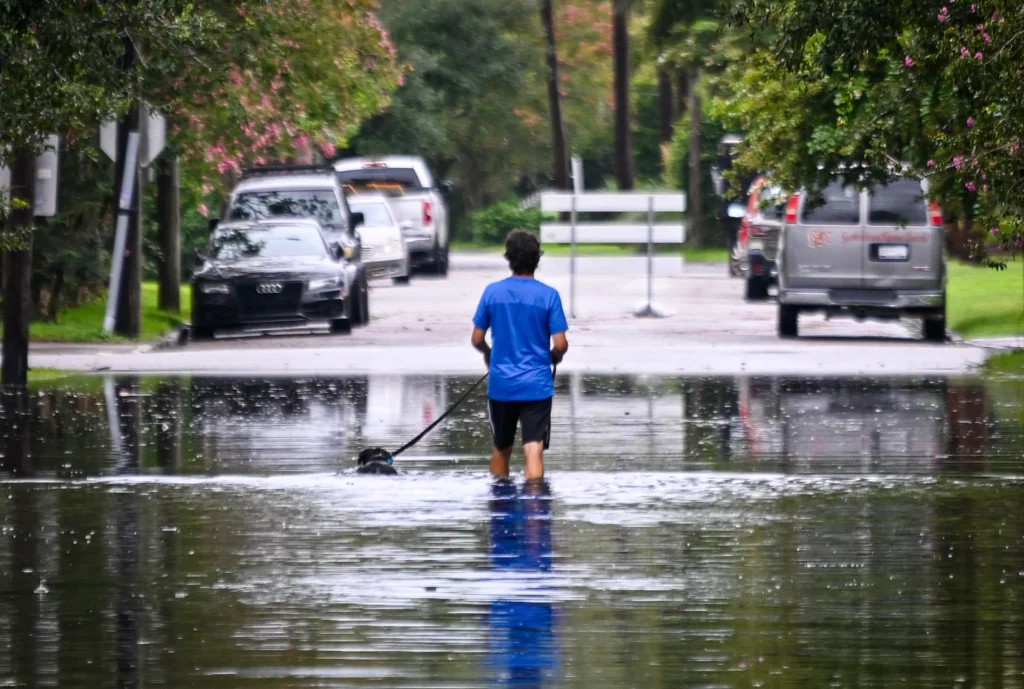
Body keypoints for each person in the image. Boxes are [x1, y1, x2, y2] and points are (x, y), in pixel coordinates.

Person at [472, 230, 568, 480]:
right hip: (537, 384)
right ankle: (535, 509)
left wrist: (488, 354)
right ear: (537, 259)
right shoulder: (549, 296)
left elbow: (477, 338)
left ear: (509, 258)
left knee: (501, 449)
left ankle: (500, 505)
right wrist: (554, 356)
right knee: (533, 449)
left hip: (502, 384)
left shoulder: (492, 292)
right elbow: (560, 343)